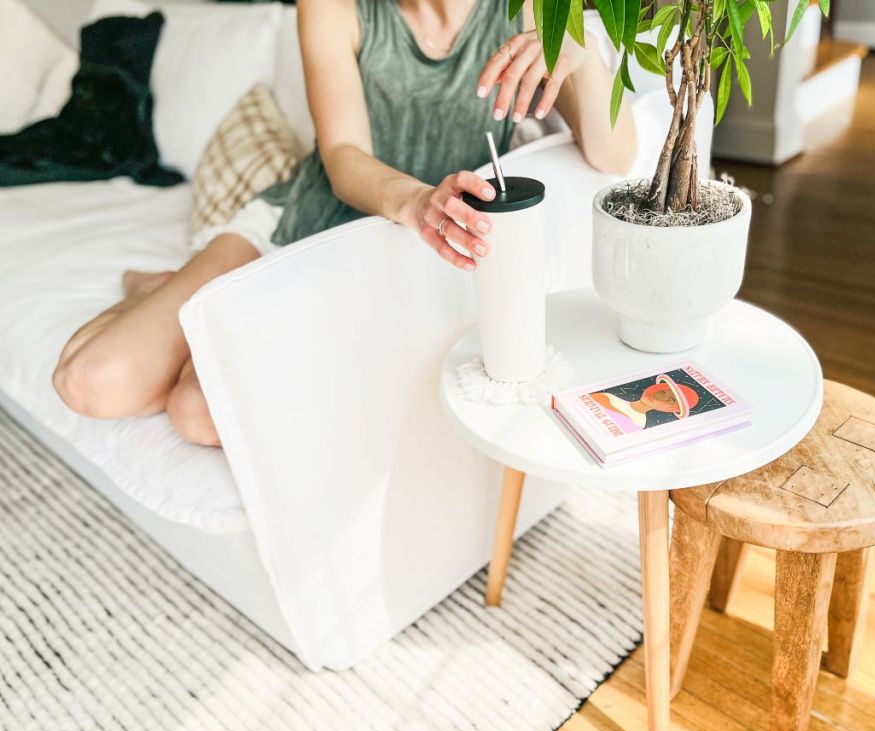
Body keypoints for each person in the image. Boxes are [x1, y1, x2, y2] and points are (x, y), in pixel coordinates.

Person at [52, 0, 638, 447]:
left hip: (388, 255)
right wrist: (415, 201)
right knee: (89, 380)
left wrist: (581, 53)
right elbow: (343, 156)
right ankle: (163, 290)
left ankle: (172, 291)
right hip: (298, 222)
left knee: (196, 412)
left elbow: (615, 157)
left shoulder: (531, 10)